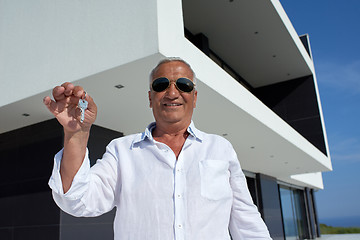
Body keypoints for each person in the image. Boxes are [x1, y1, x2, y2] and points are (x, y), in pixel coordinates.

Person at [44, 57, 272, 239]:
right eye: (161, 85)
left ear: (194, 97)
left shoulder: (220, 149)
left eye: (183, 85)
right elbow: (78, 201)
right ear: (150, 98)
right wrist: (77, 133)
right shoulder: (122, 151)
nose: (172, 93)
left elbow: (247, 221)